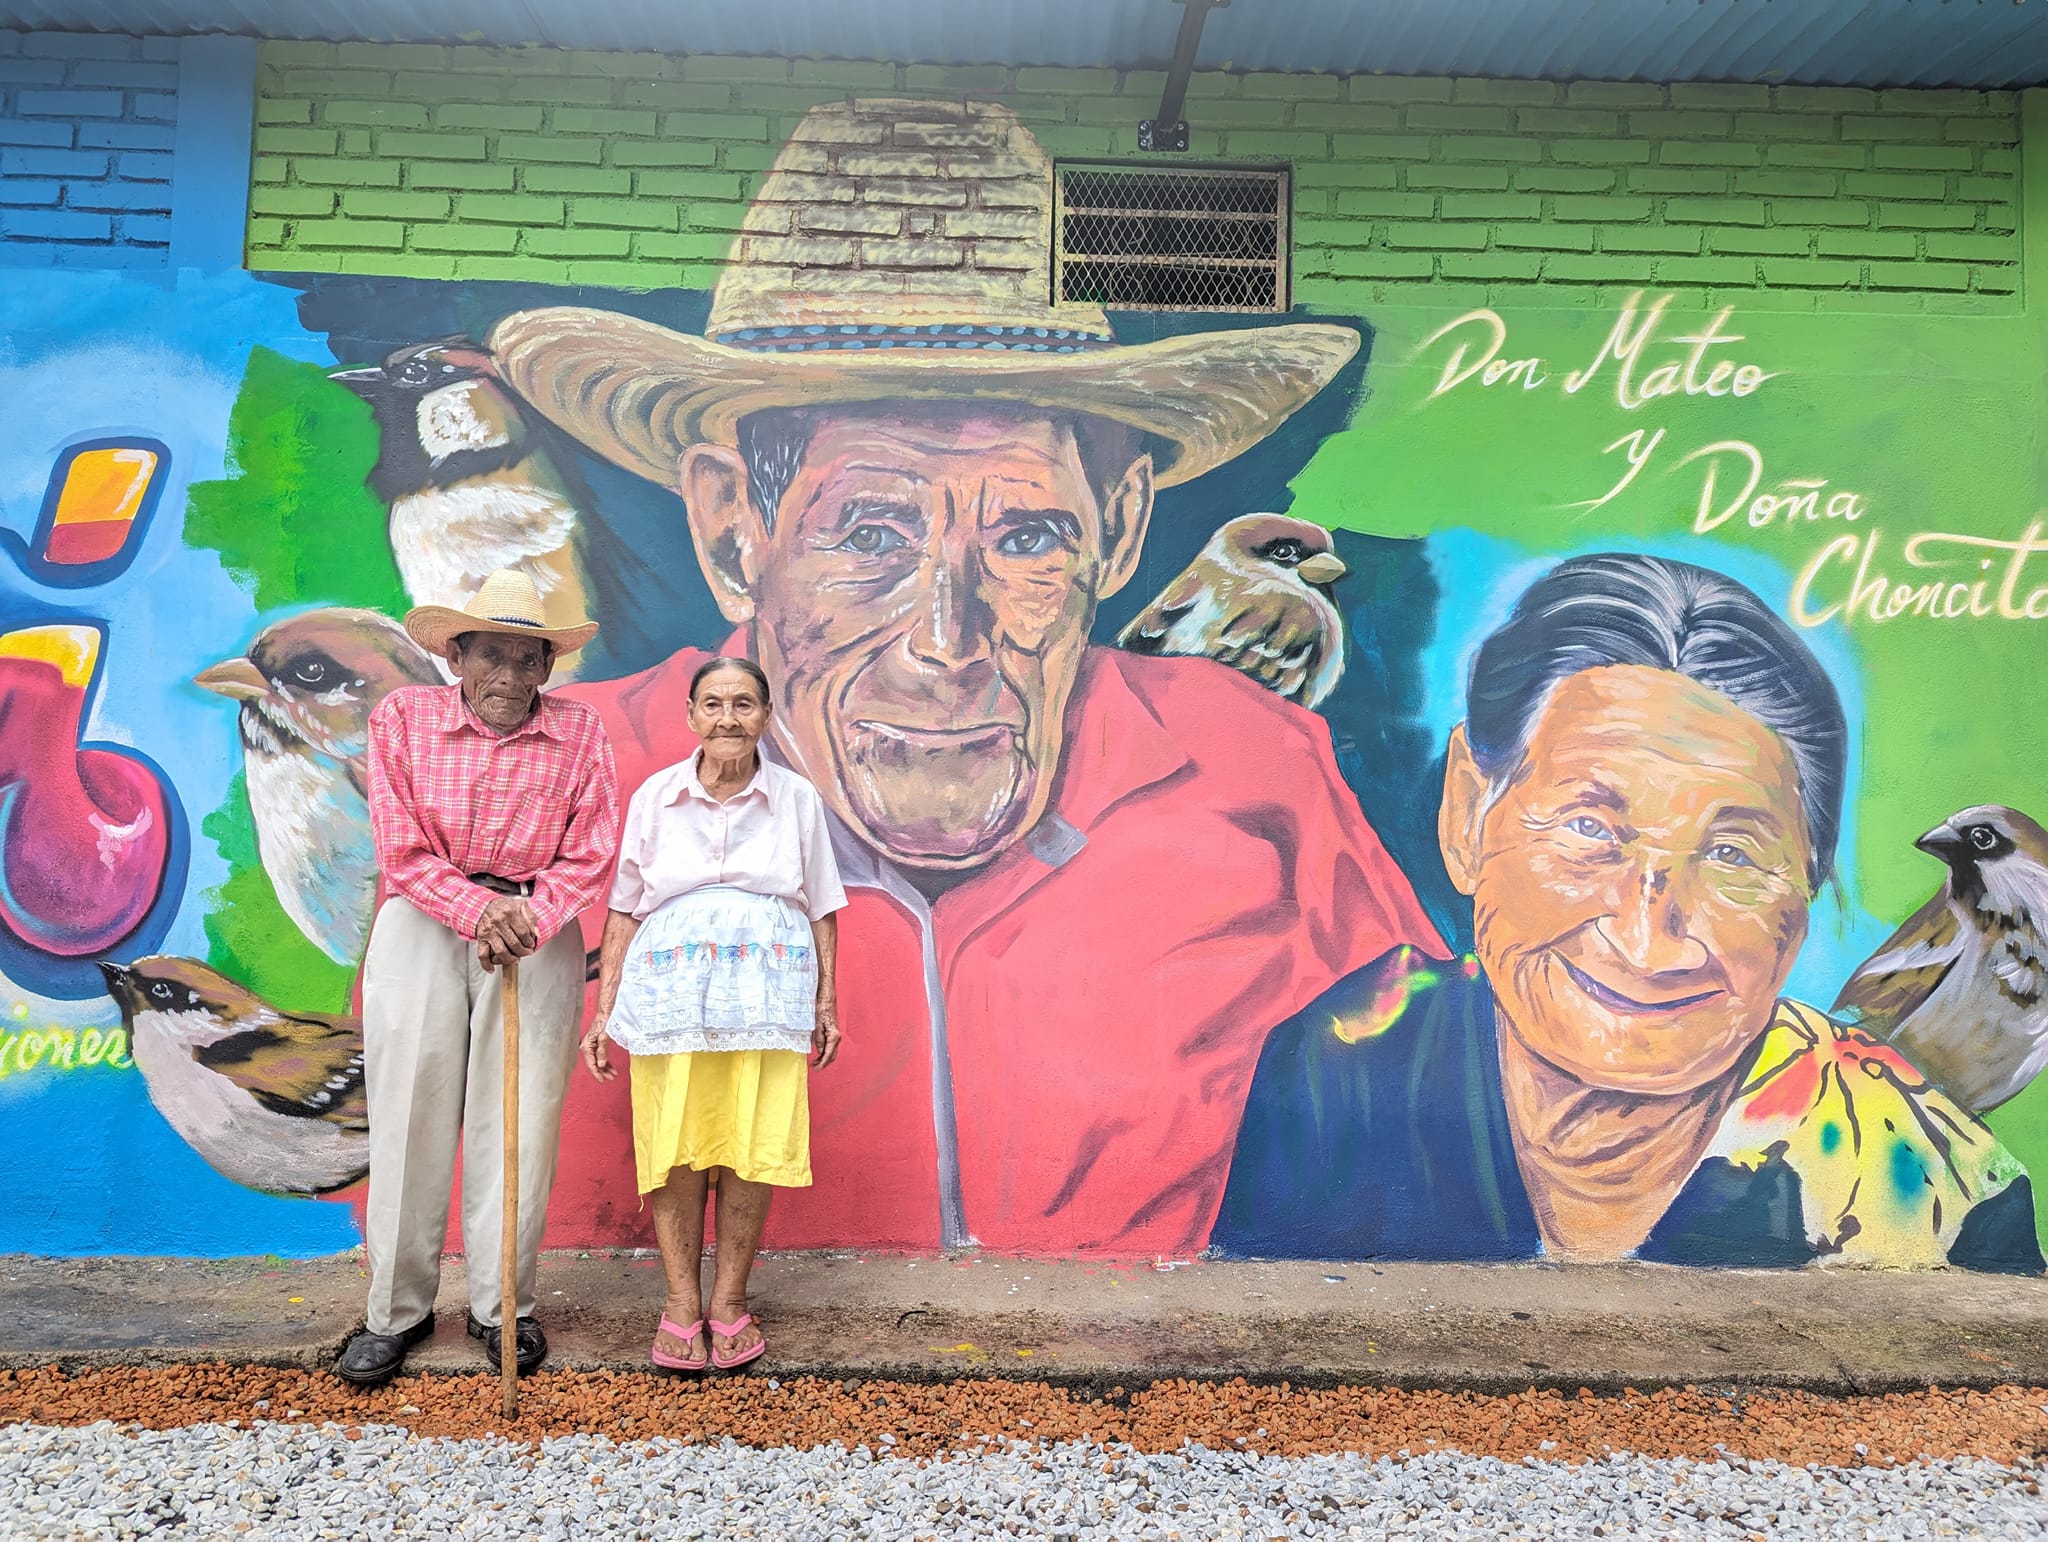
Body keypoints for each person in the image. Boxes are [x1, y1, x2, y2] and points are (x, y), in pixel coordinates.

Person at [487, 97, 1444, 1257]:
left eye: (1026, 540)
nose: (949, 644)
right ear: (734, 530)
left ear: (1121, 527)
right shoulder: (562, 773)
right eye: (871, 535)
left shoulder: (1254, 764)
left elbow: (1413, 1091)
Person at [1217, 552, 2042, 1273]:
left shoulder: (1937, 1191)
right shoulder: (1349, 1058)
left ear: (1807, 890)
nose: (1648, 936)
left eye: (1732, 857)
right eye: (1589, 829)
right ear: (1468, 813)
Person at [334, 568, 620, 1387]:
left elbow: (592, 848)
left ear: (547, 668)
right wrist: (474, 911)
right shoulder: (403, 720)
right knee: (409, 1113)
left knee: (521, 1121)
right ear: (456, 655)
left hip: (537, 929)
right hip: (423, 923)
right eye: (492, 655)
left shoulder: (579, 733)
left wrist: (525, 917)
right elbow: (402, 848)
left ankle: (502, 1308)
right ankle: (396, 1311)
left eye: (528, 659)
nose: (510, 676)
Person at [583, 656, 846, 1372]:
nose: (728, 717)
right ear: (692, 716)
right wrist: (604, 1010)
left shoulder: (795, 799)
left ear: (765, 716)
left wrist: (826, 1002)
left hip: (768, 996)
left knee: (751, 1142)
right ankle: (679, 1303)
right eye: (714, 703)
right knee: (672, 1144)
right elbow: (625, 906)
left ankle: (729, 1301)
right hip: (670, 999)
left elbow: (821, 904)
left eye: (744, 703)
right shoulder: (654, 798)